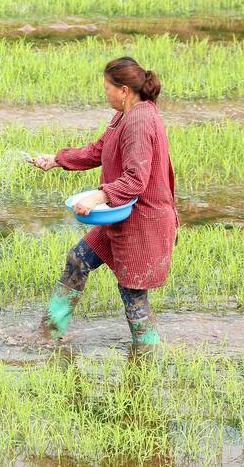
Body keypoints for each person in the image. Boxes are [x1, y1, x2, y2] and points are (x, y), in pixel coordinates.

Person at [30, 56, 178, 350]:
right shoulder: (126, 114)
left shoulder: (139, 121)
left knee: (132, 293)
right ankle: (48, 335)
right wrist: (57, 160)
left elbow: (136, 179)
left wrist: (97, 196)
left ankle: (147, 355)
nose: (104, 93)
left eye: (107, 88)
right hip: (121, 216)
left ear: (123, 90)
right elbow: (100, 149)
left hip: (143, 222)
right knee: (78, 259)